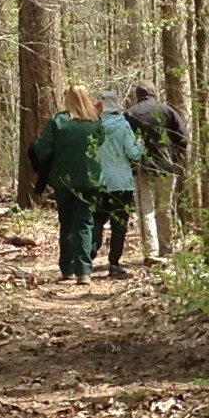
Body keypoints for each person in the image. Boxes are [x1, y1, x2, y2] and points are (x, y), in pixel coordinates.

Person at [26, 83, 134, 285]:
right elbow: (100, 140)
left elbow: (42, 148)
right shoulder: (94, 123)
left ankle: (67, 269)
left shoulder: (58, 121)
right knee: (84, 222)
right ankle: (84, 271)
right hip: (89, 179)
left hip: (64, 180)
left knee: (66, 222)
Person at [123, 82, 188, 264]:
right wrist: (175, 158)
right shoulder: (167, 111)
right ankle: (166, 249)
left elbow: (123, 142)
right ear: (154, 93)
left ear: (137, 95)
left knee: (146, 209)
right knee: (164, 208)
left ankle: (151, 251)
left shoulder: (130, 114)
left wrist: (130, 161)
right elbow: (183, 137)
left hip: (141, 169)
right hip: (165, 167)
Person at [92, 92, 142, 278]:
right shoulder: (123, 125)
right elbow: (133, 153)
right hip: (122, 182)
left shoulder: (93, 126)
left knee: (97, 219)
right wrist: (140, 145)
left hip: (99, 180)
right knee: (119, 223)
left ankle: (90, 251)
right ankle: (114, 263)